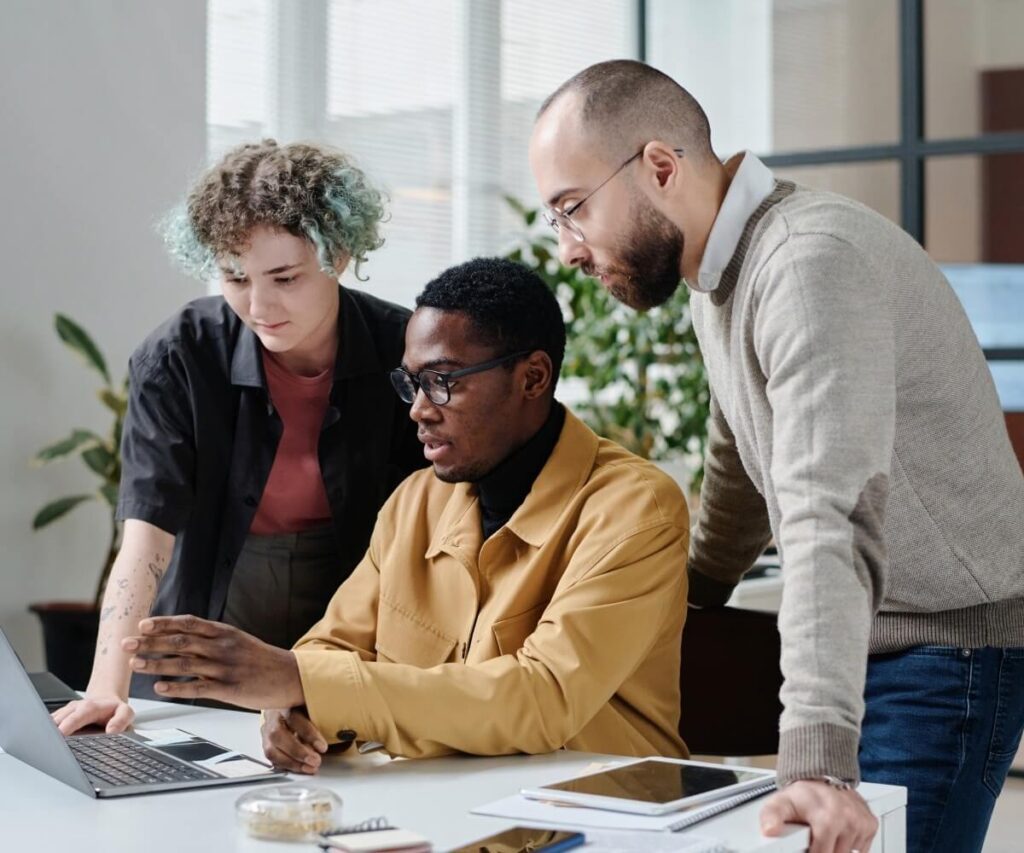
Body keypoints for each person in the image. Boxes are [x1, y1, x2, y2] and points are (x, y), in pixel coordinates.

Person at [529, 59, 1024, 853]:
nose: (566, 248)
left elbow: (831, 508)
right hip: (884, 633)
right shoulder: (722, 277)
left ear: (660, 166)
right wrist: (689, 597)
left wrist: (818, 761)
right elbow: (740, 462)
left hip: (943, 648)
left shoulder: (805, 265)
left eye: (572, 209)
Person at [116, 257, 690, 768]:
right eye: (411, 383)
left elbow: (542, 699)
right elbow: (333, 646)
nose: (418, 410)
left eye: (442, 382)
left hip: (596, 819)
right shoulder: (416, 501)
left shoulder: (637, 510)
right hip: (442, 809)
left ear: (532, 377)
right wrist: (293, 710)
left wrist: (298, 681)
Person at [53, 140, 425, 736]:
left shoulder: (403, 348)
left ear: (340, 254)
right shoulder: (180, 352)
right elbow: (146, 537)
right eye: (234, 277)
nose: (260, 305)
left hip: (351, 610)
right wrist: (104, 688)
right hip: (210, 608)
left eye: (285, 277)